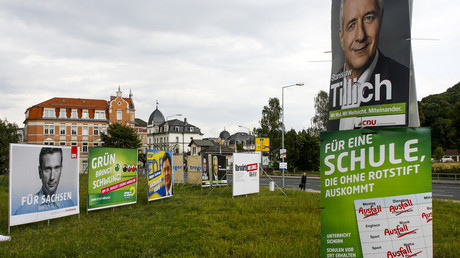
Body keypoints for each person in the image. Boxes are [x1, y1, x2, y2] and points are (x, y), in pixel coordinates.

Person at [328, 0, 410, 130]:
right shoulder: (336, 89)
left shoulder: (404, 81)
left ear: (381, 20)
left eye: (368, 18)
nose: (360, 35)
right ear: (341, 38)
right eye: (351, 25)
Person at [15, 147, 74, 215]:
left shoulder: (69, 204)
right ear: (40, 172)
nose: (52, 177)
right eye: (47, 169)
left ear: (61, 170)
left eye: (56, 168)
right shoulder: (23, 211)